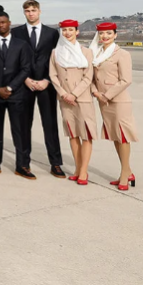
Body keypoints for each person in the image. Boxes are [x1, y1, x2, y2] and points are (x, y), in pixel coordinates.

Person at [12, 0, 65, 178]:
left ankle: (56, 163)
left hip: (46, 85)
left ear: (40, 11)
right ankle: (23, 164)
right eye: (27, 11)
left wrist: (48, 80)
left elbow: (58, 60)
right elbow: (13, 60)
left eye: (33, 10)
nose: (31, 13)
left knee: (50, 125)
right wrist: (25, 79)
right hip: (24, 85)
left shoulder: (52, 34)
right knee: (23, 126)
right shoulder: (16, 33)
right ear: (24, 13)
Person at [0, 6, 33, 179]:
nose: (1, 25)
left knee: (20, 131)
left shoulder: (21, 45)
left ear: (9, 23)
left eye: (3, 22)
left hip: (16, 94)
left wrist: (9, 88)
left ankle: (23, 165)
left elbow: (25, 69)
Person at [90, 22, 138, 191]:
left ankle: (125, 174)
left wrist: (106, 95)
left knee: (123, 136)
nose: (105, 37)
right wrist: (96, 93)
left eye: (109, 33)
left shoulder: (122, 54)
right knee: (115, 137)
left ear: (115, 35)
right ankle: (128, 171)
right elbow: (91, 78)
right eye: (102, 34)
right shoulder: (95, 53)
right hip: (103, 102)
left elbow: (126, 80)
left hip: (118, 101)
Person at [48, 20, 95, 185]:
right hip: (64, 99)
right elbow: (53, 75)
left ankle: (84, 171)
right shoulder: (56, 53)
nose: (67, 32)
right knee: (73, 134)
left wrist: (73, 94)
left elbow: (88, 76)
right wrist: (63, 93)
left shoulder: (86, 52)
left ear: (77, 32)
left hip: (82, 98)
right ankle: (77, 168)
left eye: (70, 30)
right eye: (64, 30)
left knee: (86, 134)